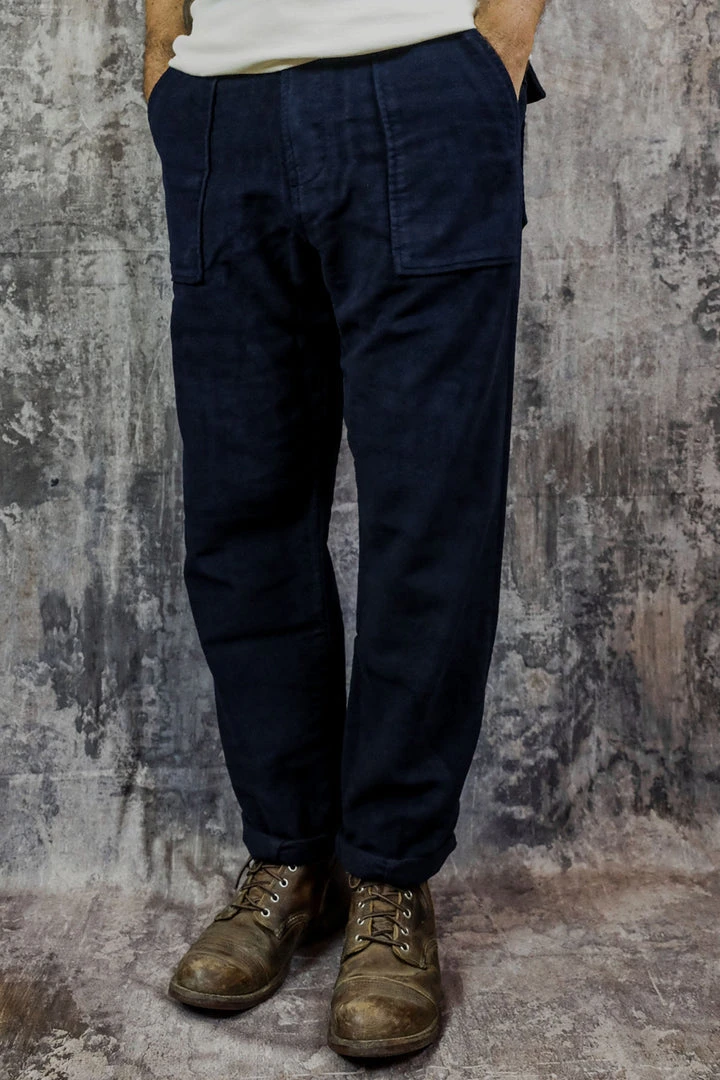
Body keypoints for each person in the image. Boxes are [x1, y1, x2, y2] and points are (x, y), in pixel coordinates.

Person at [144, 0, 547, 1059]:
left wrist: (499, 50)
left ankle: (389, 878)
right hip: (221, 105)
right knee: (242, 513)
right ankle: (292, 860)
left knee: (429, 517)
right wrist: (164, 52)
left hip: (421, 79)